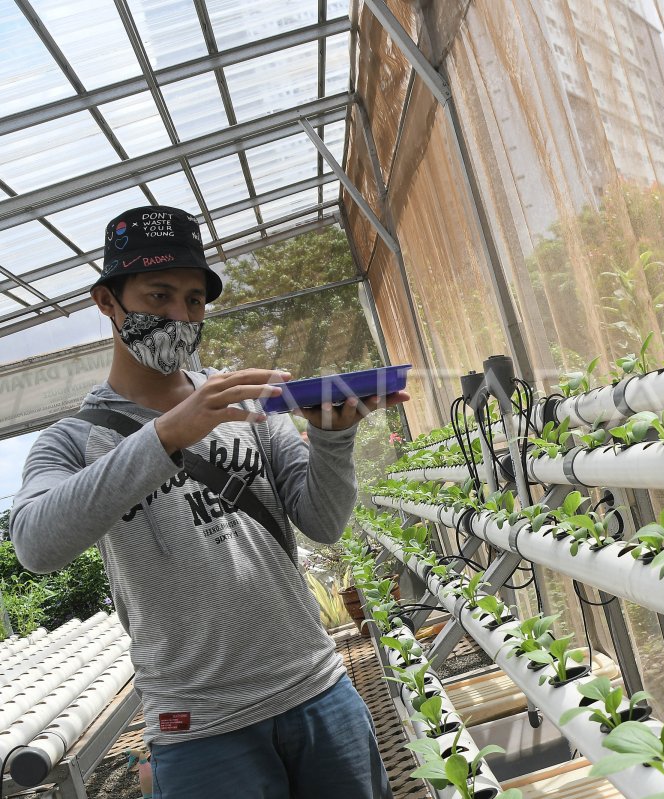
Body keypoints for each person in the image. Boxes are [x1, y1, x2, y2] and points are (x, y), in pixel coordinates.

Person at [10, 206, 406, 799]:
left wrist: (330, 435)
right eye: (159, 295)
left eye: (194, 301)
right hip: (199, 730)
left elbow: (321, 521)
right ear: (107, 301)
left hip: (317, 690)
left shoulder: (247, 404)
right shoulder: (73, 441)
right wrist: (166, 435)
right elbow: (35, 545)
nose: (180, 316)